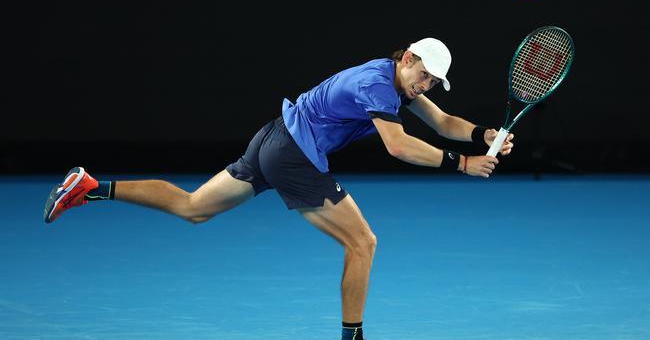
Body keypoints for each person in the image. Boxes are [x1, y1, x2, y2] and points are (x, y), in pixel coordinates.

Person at [43, 37, 514, 340]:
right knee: (362, 242)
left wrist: (483, 135)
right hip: (294, 154)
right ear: (406, 57)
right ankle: (353, 337)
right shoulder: (377, 85)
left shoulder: (394, 83)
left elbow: (443, 120)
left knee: (194, 207)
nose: (425, 84)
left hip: (275, 137)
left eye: (433, 80)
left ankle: (89, 187)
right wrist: (462, 163)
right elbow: (398, 146)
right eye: (423, 74)